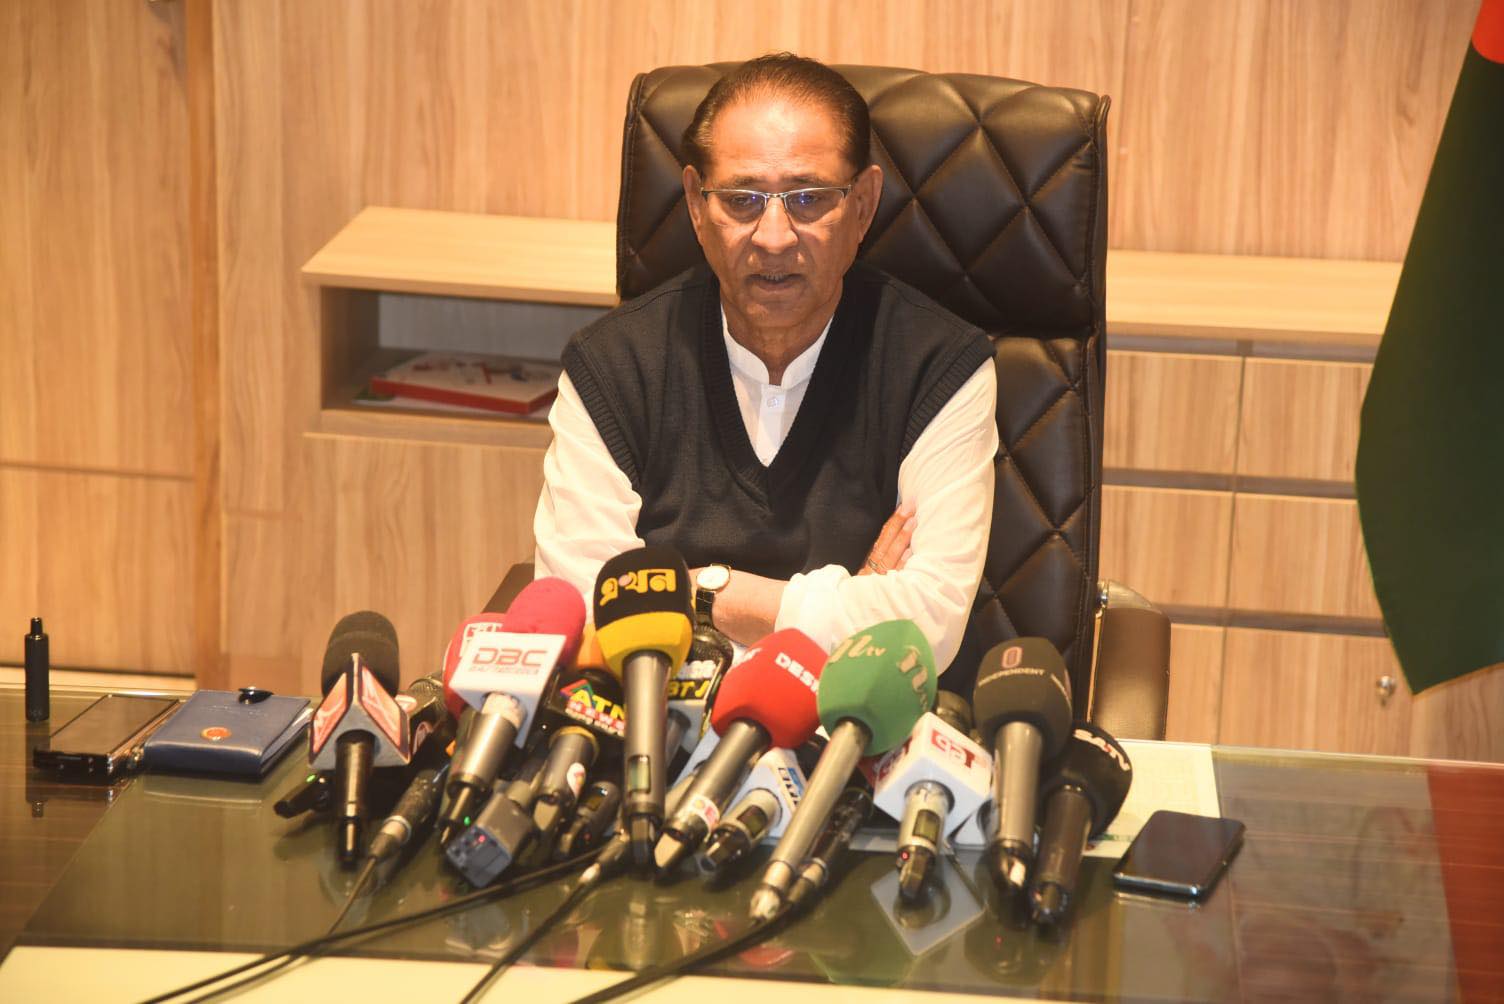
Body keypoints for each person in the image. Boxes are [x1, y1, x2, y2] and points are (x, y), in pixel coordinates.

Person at [533, 53, 997, 674]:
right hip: (665, 723)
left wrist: (701, 593)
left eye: (808, 199)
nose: (774, 237)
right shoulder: (612, 366)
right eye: (742, 200)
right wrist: (846, 604)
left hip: (865, 727)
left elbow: (927, 628)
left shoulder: (939, 367)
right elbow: (590, 615)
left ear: (863, 204)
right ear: (696, 204)